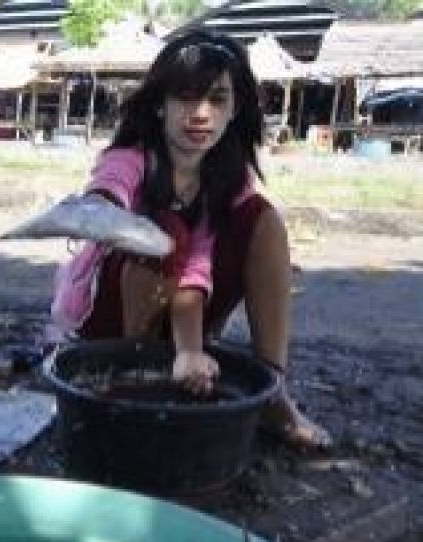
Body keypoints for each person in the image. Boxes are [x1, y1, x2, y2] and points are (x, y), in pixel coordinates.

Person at [50, 29, 330, 450]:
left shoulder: (230, 180)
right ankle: (134, 376)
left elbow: (196, 270)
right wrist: (97, 206)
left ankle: (272, 391)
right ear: (160, 105)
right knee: (162, 231)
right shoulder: (131, 159)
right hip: (106, 321)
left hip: (182, 310)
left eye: (216, 99)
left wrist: (189, 349)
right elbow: (110, 185)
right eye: (185, 96)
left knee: (265, 222)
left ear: (235, 110)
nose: (200, 113)